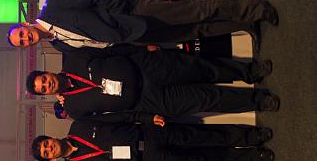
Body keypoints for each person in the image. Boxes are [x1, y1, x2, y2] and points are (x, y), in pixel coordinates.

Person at [7, 0, 278, 53]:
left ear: (25, 25)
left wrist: (122, 14)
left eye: (21, 34)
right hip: (134, 35)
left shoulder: (53, 6)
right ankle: (245, 23)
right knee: (195, 32)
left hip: (134, 12)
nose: (26, 38)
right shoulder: (58, 44)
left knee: (197, 11)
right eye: (23, 42)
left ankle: (255, 8)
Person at [25, 49, 280, 119]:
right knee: (207, 99)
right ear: (46, 94)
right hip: (148, 101)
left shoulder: (73, 58)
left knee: (203, 69)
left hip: (146, 66)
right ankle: (259, 101)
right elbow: (109, 118)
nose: (48, 85)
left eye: (43, 80)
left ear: (47, 72)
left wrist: (142, 50)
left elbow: (109, 49)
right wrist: (147, 117)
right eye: (43, 89)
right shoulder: (73, 108)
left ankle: (251, 71)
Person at [31, 116, 274, 161]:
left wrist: (146, 118)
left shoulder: (80, 125)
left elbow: (119, 117)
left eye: (46, 144)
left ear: (50, 137)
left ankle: (254, 135)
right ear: (50, 159)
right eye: (46, 153)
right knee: (207, 160)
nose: (49, 148)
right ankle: (256, 155)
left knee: (205, 135)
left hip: (149, 134)